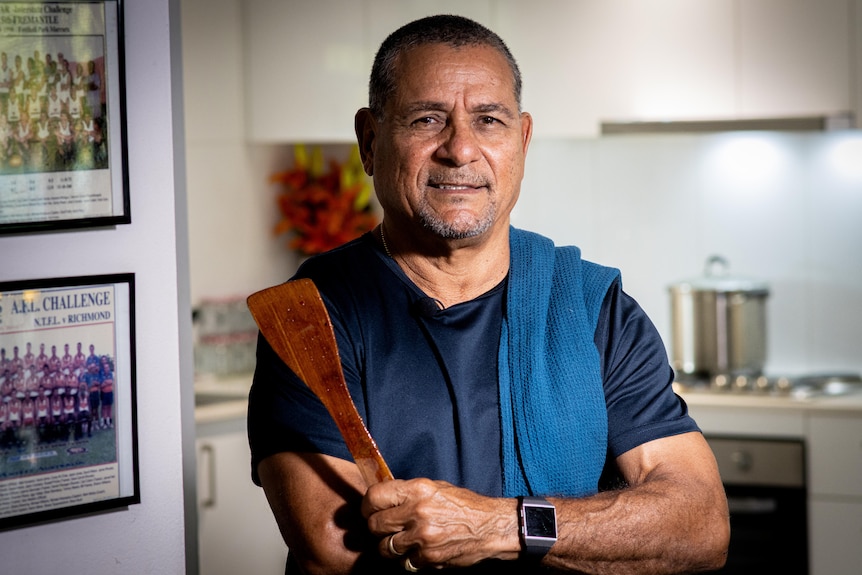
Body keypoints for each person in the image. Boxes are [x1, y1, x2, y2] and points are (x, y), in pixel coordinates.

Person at [248, 15, 729, 575]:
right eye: (427, 119)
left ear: (522, 140)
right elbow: (332, 549)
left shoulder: (595, 310)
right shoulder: (311, 317)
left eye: (489, 120)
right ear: (370, 140)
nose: (460, 149)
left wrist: (500, 525)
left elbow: (700, 526)